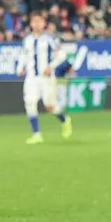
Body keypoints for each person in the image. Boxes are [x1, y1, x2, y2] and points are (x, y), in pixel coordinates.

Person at [17, 12, 72, 144]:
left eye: (39, 21)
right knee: (30, 103)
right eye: (34, 21)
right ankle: (36, 134)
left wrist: (51, 66)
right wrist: (19, 68)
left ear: (43, 23)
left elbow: (62, 55)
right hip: (31, 77)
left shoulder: (49, 39)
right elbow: (23, 55)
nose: (37, 23)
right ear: (31, 23)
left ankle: (65, 120)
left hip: (46, 78)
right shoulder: (27, 39)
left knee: (50, 106)